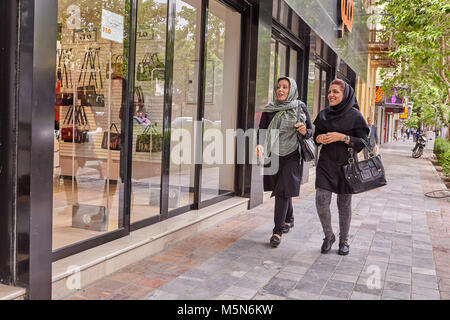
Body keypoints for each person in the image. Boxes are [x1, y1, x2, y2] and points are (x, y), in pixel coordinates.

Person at [313, 79, 369, 255]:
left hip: (346, 165)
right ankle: (328, 236)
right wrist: (319, 139)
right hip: (325, 164)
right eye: (330, 91)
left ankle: (344, 240)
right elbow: (315, 136)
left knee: (343, 204)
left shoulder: (355, 116)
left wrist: (342, 137)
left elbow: (363, 143)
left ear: (345, 95)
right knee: (321, 201)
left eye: (336, 91)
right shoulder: (324, 114)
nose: (331, 95)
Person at [255, 76, 313, 247]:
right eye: (278, 87)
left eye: (285, 87)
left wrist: (304, 130)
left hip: (293, 155)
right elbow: (262, 129)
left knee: (282, 191)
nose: (280, 90)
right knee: (282, 189)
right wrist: (259, 144)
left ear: (291, 89)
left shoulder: (299, 107)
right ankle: (289, 218)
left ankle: (277, 231)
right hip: (274, 153)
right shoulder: (269, 108)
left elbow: (310, 131)